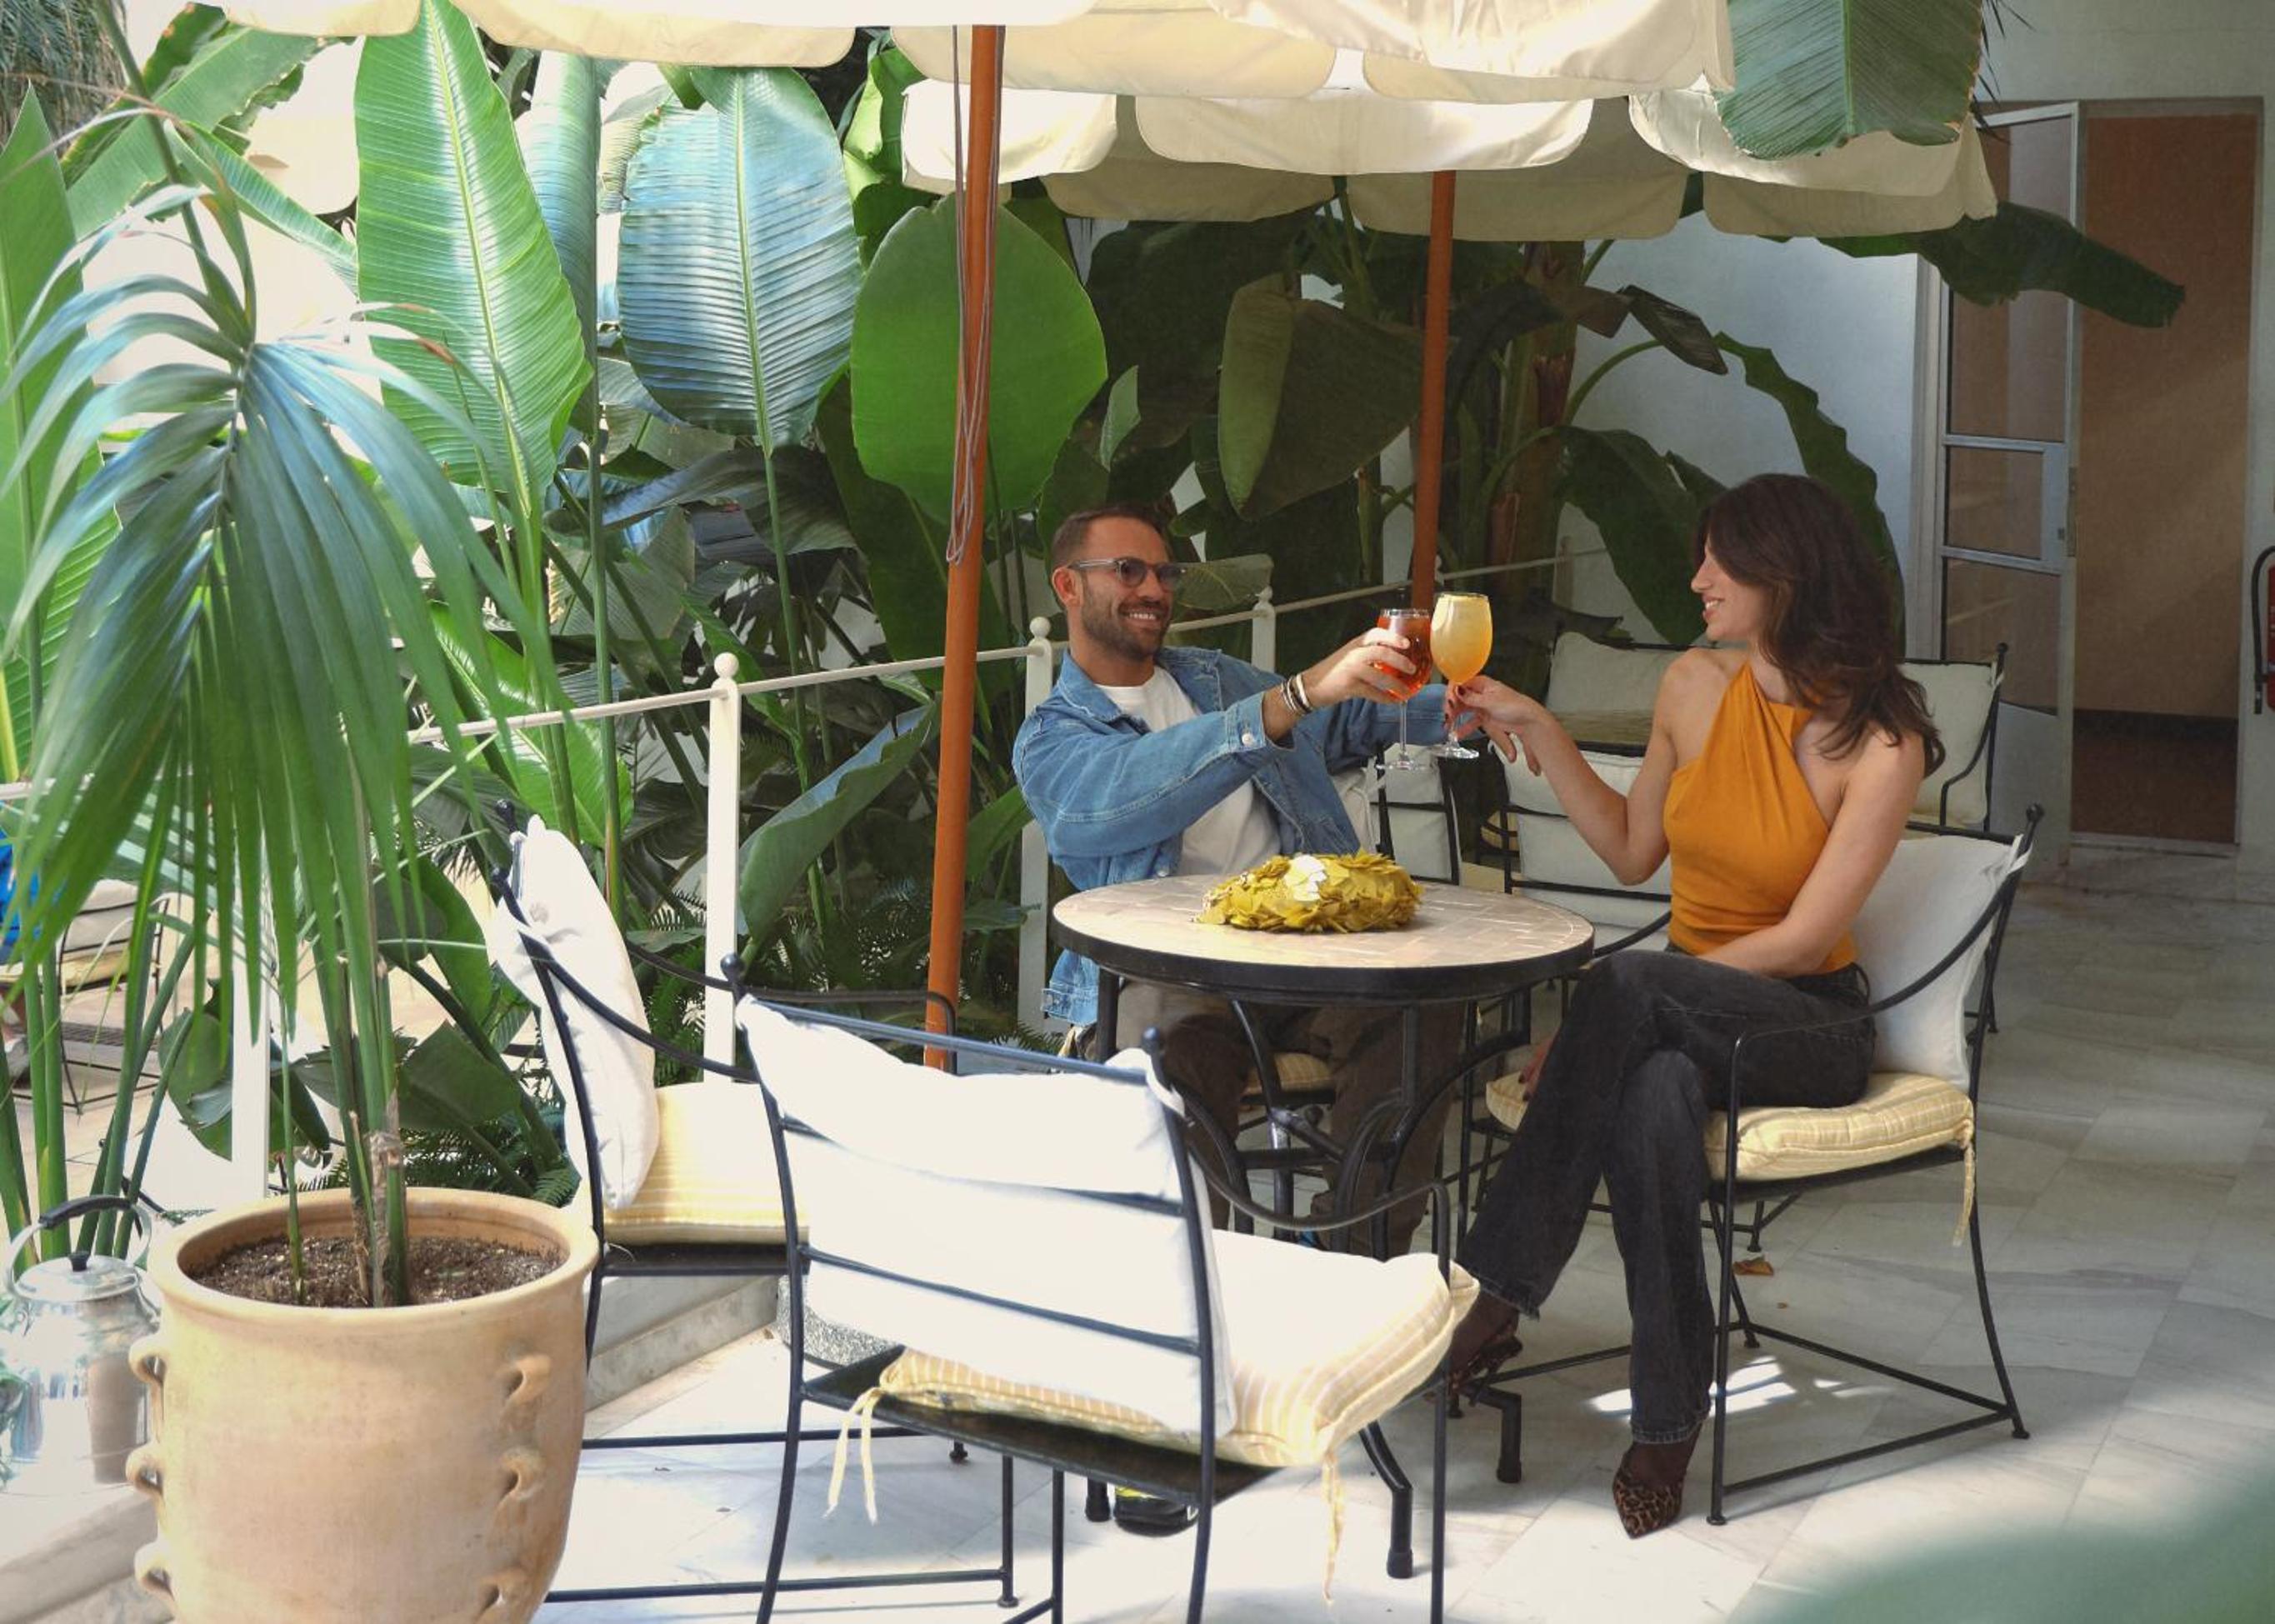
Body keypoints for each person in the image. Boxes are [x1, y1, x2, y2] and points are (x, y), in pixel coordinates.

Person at [1441, 473, 1942, 1539]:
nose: (1698, 577)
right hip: (1674, 1011)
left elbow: (1802, 941)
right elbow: (1632, 851)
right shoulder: (1691, 685)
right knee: (1655, 1092)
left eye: (1721, 559)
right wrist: (1539, 726)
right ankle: (1668, 1421)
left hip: (1806, 1023)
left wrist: (1615, 1012)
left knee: (1625, 989)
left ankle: (1493, 1296)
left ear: (1785, 575)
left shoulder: (1882, 740)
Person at [1014, 503, 1464, 1250]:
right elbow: (1134, 793)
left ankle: (1350, 1260)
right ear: (1068, 586)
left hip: (1302, 956)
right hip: (1174, 973)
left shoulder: (1215, 679)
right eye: (1128, 570)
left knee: (1420, 1010)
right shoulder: (1054, 737)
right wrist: (1292, 697)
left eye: (1163, 572)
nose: (1153, 588)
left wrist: (1447, 710)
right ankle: (1195, 1279)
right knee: (1164, 1053)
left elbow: (1338, 726)